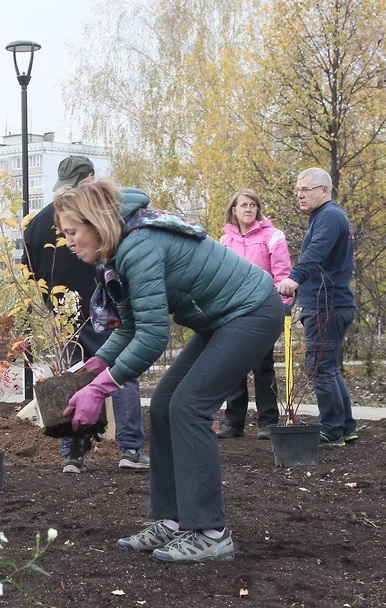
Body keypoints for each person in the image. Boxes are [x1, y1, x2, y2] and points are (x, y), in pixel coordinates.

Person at [55, 179, 283, 563]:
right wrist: (97, 365)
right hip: (223, 319)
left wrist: (99, 390)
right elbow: (128, 327)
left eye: (73, 233)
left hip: (252, 310)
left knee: (189, 406)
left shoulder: (138, 246)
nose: (69, 242)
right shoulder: (117, 253)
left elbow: (152, 337)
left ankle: (210, 532)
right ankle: (177, 520)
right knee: (163, 404)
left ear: (95, 224)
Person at [22, 155, 149, 473]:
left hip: (63, 318)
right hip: (104, 308)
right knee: (121, 372)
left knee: (73, 378)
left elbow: (29, 276)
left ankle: (72, 455)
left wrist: (45, 314)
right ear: (91, 179)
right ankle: (130, 449)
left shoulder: (36, 225)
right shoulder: (99, 218)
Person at [277, 167, 356, 447]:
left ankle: (332, 430)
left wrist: (293, 279)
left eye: (306, 189)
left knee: (320, 369)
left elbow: (316, 252)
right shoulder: (328, 216)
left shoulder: (329, 217)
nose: (300, 195)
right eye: (297, 189)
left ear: (324, 190)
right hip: (335, 304)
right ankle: (346, 427)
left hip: (327, 306)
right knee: (330, 368)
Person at [217, 189, 293, 440]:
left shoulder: (273, 236)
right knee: (233, 367)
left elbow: (282, 274)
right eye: (243, 205)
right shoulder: (224, 242)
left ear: (258, 209)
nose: (248, 209)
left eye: (252, 205)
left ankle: (268, 422)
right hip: (233, 312)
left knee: (263, 367)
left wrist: (280, 305)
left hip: (262, 310)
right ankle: (233, 423)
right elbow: (219, 277)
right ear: (234, 210)